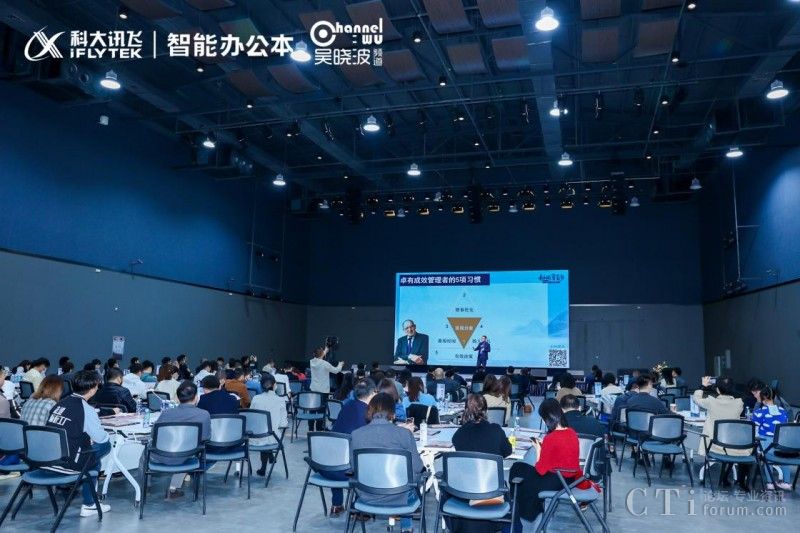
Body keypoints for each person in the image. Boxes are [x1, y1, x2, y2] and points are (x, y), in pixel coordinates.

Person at [509, 399, 590, 531]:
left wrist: (538, 449)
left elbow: (540, 470)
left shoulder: (551, 438)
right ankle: (528, 509)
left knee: (517, 468)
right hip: (569, 479)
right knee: (521, 469)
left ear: (547, 419)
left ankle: (519, 510)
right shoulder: (572, 432)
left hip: (555, 481)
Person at [350, 393, 423, 533]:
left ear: (370, 410)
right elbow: (418, 467)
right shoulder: (404, 434)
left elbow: (353, 467)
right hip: (400, 496)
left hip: (366, 495)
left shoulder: (356, 434)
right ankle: (406, 527)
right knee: (411, 481)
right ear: (393, 413)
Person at [46, 370, 111, 517]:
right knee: (101, 449)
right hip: (66, 462)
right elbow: (101, 438)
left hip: (47, 458)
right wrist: (106, 435)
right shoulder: (86, 409)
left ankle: (89, 501)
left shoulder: (60, 404)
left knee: (90, 454)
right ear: (93, 388)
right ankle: (89, 504)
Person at [449, 393, 512, 533]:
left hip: (466, 490)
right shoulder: (496, 430)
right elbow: (507, 451)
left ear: (465, 411)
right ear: (486, 411)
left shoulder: (459, 435)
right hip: (492, 490)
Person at [317, 378, 378, 517]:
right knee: (370, 461)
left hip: (325, 465)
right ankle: (358, 508)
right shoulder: (368, 413)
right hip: (346, 472)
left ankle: (336, 505)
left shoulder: (347, 405)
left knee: (338, 453)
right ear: (373, 393)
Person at [153, 380, 211, 500]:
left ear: (178, 398)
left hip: (161, 456)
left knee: (145, 454)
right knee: (188, 450)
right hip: (186, 457)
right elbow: (205, 437)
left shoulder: (166, 413)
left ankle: (142, 490)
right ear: (196, 397)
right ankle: (173, 488)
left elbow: (155, 435)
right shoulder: (204, 414)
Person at [692, 376, 749, 489]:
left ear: (717, 389)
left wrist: (703, 386)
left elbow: (696, 399)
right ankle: (740, 481)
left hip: (713, 445)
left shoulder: (711, 401)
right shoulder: (739, 403)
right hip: (732, 446)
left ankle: (725, 477)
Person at [751, 386, 792, 490]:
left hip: (766, 444)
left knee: (767, 459)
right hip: (781, 445)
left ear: (762, 398)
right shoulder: (783, 411)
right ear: (774, 397)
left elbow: (753, 425)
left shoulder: (760, 412)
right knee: (784, 460)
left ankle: (770, 483)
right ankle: (787, 482)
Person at [249, 373, 288, 477]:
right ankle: (264, 465)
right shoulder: (280, 400)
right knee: (270, 432)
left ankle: (266, 462)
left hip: (255, 437)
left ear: (261, 386)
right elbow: (283, 423)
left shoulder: (255, 398)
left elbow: (251, 418)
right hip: (273, 438)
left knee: (263, 431)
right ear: (274, 385)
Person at [309, 346, 343, 431]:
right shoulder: (325, 364)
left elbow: (318, 356)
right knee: (321, 410)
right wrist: (340, 364)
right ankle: (319, 429)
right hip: (323, 391)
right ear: (322, 354)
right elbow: (336, 370)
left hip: (313, 390)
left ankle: (310, 428)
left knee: (312, 410)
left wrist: (325, 351)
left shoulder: (311, 362)